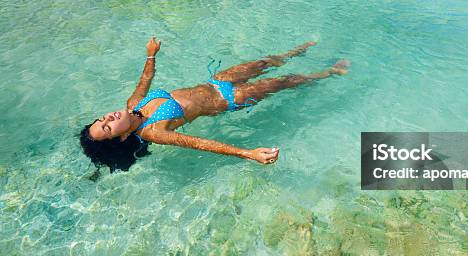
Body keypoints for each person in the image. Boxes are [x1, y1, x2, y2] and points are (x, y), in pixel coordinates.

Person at [80, 37, 349, 171]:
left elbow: (145, 78)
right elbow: (203, 144)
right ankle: (328, 73)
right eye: (107, 128)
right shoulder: (154, 132)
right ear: (123, 136)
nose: (107, 119)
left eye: (101, 120)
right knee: (286, 81)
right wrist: (248, 153)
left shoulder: (133, 103)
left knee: (264, 62)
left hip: (216, 82)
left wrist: (150, 55)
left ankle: (298, 50)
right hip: (228, 100)